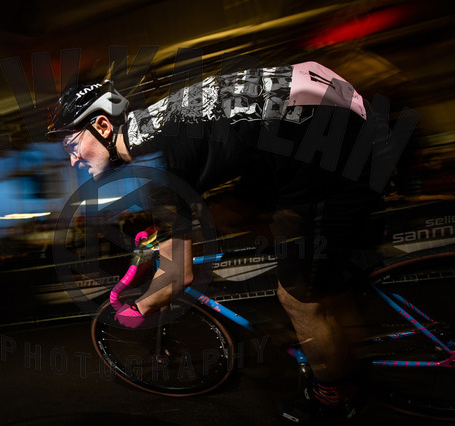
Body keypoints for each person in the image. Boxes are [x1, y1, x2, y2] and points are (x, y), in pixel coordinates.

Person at [47, 60, 389, 423]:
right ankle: (326, 288)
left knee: (300, 298)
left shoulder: (152, 165)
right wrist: (168, 236)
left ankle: (334, 399)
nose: (72, 161)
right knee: (227, 213)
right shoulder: (151, 128)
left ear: (102, 125)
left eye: (72, 145)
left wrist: (139, 309)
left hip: (328, 145)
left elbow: (177, 277)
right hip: (313, 123)